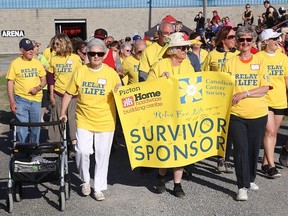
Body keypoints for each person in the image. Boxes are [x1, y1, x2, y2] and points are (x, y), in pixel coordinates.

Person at [59, 38, 121, 201]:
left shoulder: (111, 73)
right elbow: (68, 93)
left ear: (104, 54)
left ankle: (99, 187)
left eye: (99, 54)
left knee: (102, 155)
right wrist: (63, 112)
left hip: (106, 121)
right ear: (87, 54)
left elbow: (121, 95)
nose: (95, 56)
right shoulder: (80, 71)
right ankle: (85, 181)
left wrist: (119, 91)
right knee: (82, 151)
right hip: (84, 119)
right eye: (92, 53)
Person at [223, 25, 270, 201]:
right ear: (236, 41)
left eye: (248, 40)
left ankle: (250, 179)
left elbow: (265, 88)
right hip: (237, 115)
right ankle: (242, 186)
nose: (244, 42)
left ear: (253, 41)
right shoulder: (230, 63)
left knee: (252, 150)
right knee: (241, 150)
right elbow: (223, 87)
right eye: (241, 39)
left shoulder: (262, 61)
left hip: (258, 114)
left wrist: (245, 93)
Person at [147, 32, 195, 198]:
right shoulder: (160, 66)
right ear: (173, 50)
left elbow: (194, 86)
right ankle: (161, 175)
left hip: (182, 112)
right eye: (183, 48)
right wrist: (161, 81)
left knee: (180, 147)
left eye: (187, 48)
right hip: (164, 113)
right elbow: (148, 88)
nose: (186, 50)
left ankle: (177, 184)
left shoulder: (188, 66)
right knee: (165, 146)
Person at [202, 26, 239, 173]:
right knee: (218, 129)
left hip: (234, 98)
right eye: (231, 37)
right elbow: (204, 75)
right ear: (223, 39)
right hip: (216, 99)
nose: (234, 40)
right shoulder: (212, 55)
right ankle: (219, 158)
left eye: (235, 37)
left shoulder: (237, 55)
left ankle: (227, 159)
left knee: (230, 130)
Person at [256, 29, 288, 178]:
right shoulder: (258, 57)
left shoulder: (283, 58)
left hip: (280, 100)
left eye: (278, 37)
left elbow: (286, 79)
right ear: (266, 41)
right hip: (265, 100)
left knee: (273, 133)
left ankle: (264, 163)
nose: (278, 40)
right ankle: (272, 166)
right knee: (269, 132)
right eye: (274, 38)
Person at [47, 33, 82, 153]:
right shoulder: (54, 58)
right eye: (54, 43)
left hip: (73, 95)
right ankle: (56, 144)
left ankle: (74, 144)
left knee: (72, 119)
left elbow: (80, 76)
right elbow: (50, 77)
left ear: (64, 44)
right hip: (58, 92)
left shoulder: (75, 58)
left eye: (57, 43)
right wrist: (51, 95)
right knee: (57, 118)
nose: (55, 45)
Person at [6, 38, 46, 143]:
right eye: (28, 49)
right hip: (21, 100)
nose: (31, 51)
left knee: (35, 127)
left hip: (36, 100)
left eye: (32, 49)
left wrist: (38, 88)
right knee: (22, 127)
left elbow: (44, 80)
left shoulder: (37, 63)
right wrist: (12, 101)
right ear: (21, 50)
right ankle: (23, 150)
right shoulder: (15, 64)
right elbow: (10, 82)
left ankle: (34, 152)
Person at [32, 40, 50, 123]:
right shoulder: (29, 57)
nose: (38, 48)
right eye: (37, 46)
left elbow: (48, 67)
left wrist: (44, 66)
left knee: (44, 103)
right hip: (33, 84)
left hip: (43, 84)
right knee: (34, 102)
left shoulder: (41, 57)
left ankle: (41, 118)